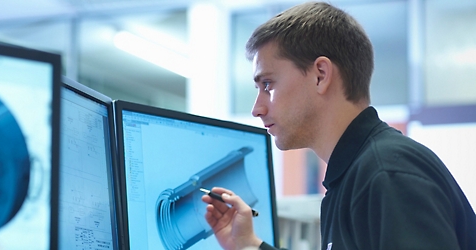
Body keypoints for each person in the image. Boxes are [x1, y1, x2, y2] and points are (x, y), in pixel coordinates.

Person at [201, 1, 476, 250]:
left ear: (320, 75)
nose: (257, 108)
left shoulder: (387, 174)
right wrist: (249, 245)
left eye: (268, 85)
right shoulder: (352, 177)